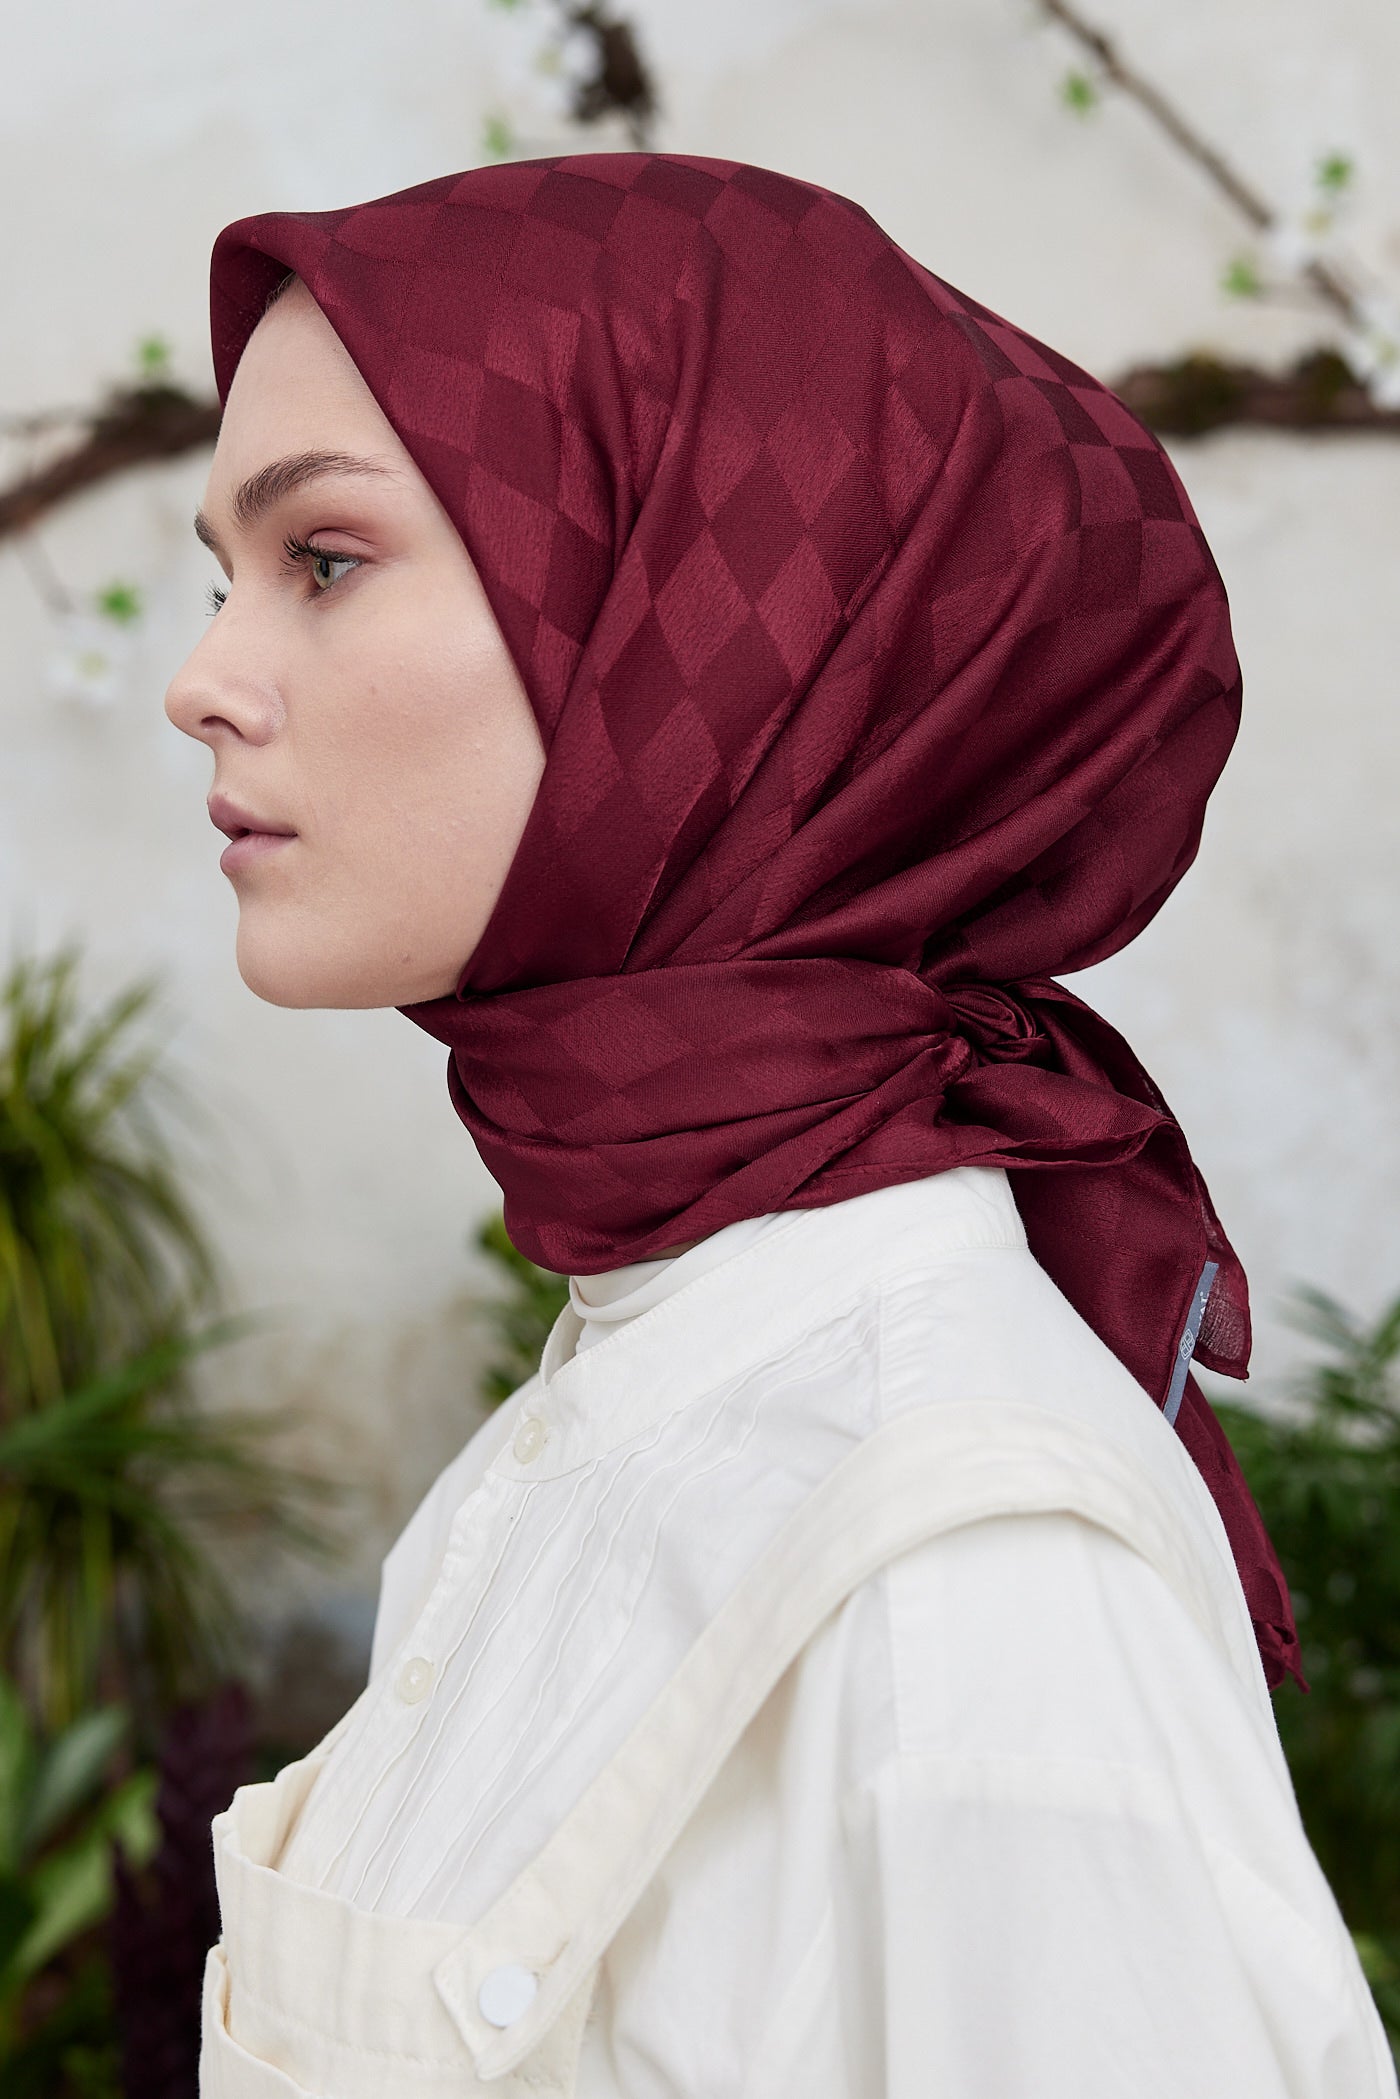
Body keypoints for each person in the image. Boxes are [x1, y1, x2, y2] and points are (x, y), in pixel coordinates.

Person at [166, 152, 1397, 2098]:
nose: (200, 681)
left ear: (705, 639)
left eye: (322, 560)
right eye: (217, 578)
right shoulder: (617, 1398)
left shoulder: (964, 1601)